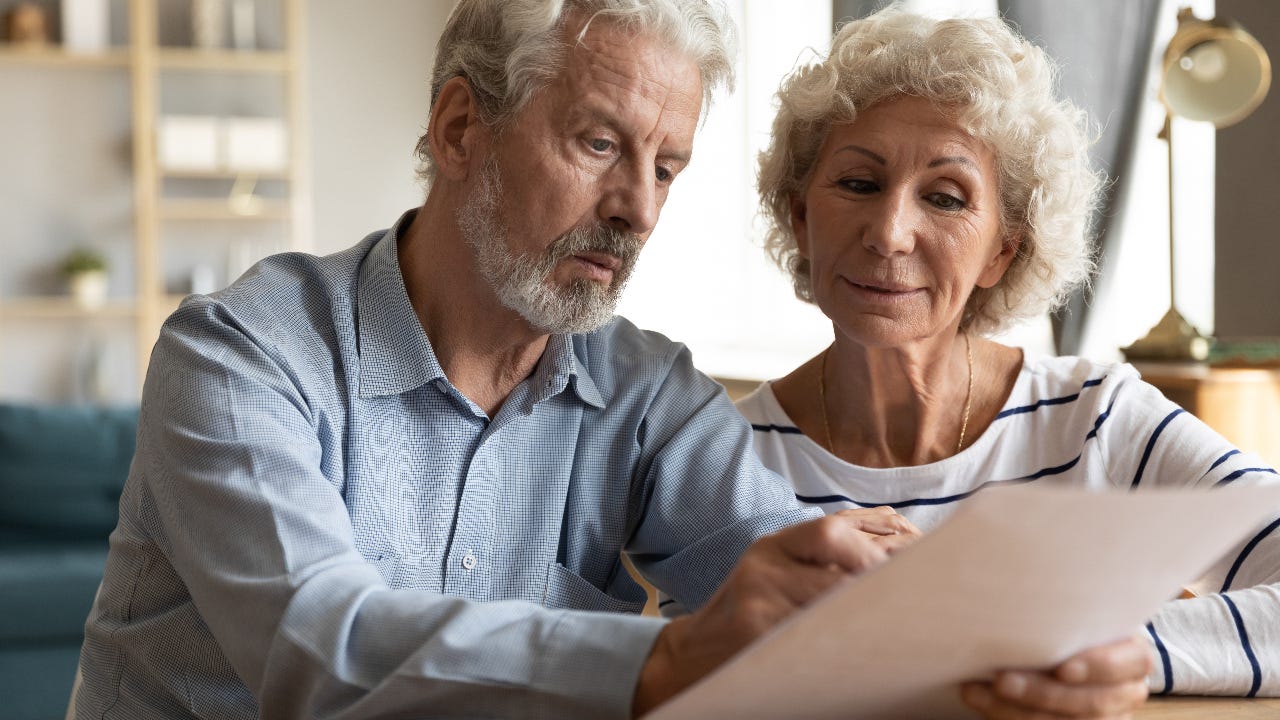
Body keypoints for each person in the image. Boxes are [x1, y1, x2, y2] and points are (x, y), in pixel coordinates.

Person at [73, 2, 1150, 718]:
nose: (636, 208)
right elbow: (315, 645)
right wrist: (667, 658)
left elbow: (807, 589)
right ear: (460, 130)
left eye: (667, 167)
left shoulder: (642, 394)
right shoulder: (239, 356)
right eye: (598, 145)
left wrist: (1035, 650)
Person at [740, 5, 1280, 706]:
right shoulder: (725, 452)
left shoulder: (1095, 418)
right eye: (858, 184)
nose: (890, 232)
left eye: (945, 196)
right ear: (800, 217)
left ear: (1003, 250)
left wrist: (1099, 647)